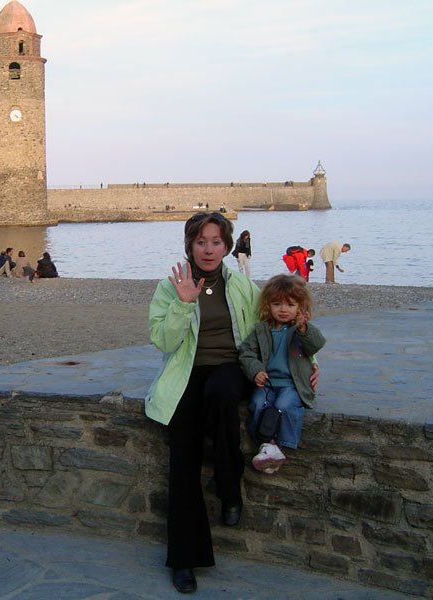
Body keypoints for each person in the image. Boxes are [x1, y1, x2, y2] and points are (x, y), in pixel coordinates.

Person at [145, 212, 261, 594]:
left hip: (231, 367)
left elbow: (275, 329)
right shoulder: (169, 287)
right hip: (187, 372)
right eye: (200, 242)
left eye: (215, 242)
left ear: (227, 246)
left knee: (222, 393)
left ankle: (230, 487)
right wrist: (182, 304)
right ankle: (183, 559)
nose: (208, 249)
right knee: (183, 457)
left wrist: (307, 363)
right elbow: (163, 342)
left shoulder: (243, 286)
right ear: (189, 246)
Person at [238, 274, 326, 474]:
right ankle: (264, 443)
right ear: (268, 306)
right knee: (257, 404)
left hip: (292, 384)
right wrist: (256, 371)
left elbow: (316, 344)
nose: (283, 309)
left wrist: (304, 328)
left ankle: (281, 444)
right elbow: (246, 353)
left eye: (290, 305)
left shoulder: (299, 331)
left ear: (300, 308)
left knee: (283, 405)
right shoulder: (261, 330)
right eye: (277, 304)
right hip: (267, 383)